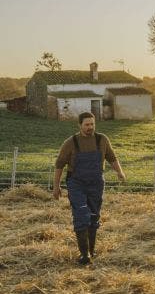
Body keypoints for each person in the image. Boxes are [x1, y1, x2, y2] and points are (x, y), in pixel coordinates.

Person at [53, 111, 126, 265]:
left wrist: (120, 172)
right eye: (86, 124)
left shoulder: (102, 140)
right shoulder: (71, 142)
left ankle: (91, 251)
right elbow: (59, 165)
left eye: (92, 124)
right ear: (79, 125)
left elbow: (112, 158)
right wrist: (56, 186)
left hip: (96, 183)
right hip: (76, 184)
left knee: (93, 216)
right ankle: (84, 254)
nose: (90, 127)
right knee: (81, 215)